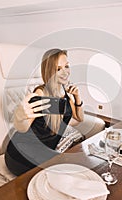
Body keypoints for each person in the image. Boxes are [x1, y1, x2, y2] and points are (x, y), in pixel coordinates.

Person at [5, 48, 84, 176]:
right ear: (50, 72)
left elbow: (78, 119)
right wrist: (19, 117)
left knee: (77, 166)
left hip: (44, 151)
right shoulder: (41, 93)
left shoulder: (65, 94)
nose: (65, 72)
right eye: (58, 69)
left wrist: (77, 97)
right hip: (20, 152)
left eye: (67, 66)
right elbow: (23, 128)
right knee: (68, 169)